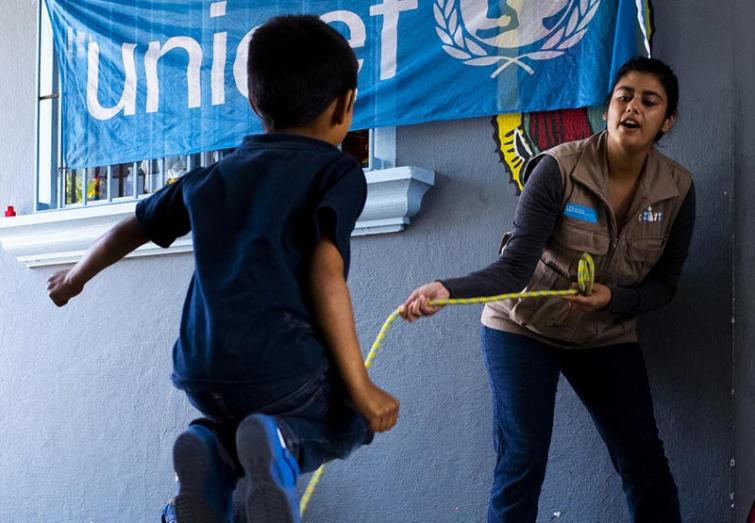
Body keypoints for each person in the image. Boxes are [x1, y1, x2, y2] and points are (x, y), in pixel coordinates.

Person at [47, 15, 399, 523]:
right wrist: (362, 388)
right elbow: (325, 274)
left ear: (254, 103)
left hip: (202, 370)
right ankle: (283, 442)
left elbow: (132, 227)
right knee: (349, 418)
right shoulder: (335, 172)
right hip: (280, 368)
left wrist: (73, 279)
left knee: (241, 429)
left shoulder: (212, 176)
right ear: (346, 105)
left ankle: (209, 445)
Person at [400, 57, 694, 523]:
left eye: (649, 100)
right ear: (608, 108)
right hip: (522, 327)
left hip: (604, 332)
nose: (632, 107)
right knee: (523, 460)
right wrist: (447, 289)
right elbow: (514, 268)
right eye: (623, 96)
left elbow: (665, 287)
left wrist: (614, 300)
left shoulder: (678, 190)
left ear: (668, 121)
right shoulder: (559, 167)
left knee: (644, 459)